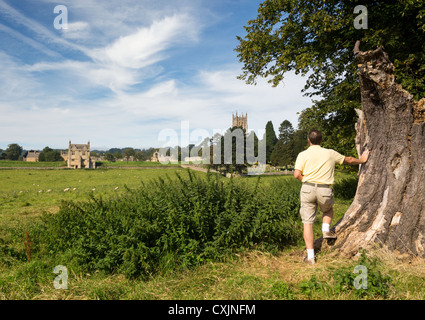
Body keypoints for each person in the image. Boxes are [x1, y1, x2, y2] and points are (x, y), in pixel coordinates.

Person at [293, 130, 370, 264]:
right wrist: (362, 160)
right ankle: (325, 230)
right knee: (328, 210)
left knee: (307, 223)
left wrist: (307, 180)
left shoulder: (302, 154)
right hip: (324, 189)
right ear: (321, 140)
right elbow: (349, 160)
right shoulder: (330, 152)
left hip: (307, 188)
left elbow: (296, 174)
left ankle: (311, 257)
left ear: (308, 140)